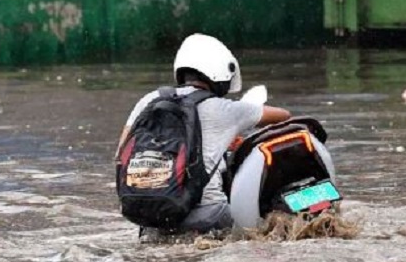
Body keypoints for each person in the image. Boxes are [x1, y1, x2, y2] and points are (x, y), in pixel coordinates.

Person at [115, 33, 291, 234]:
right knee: (264, 224)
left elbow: (121, 153)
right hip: (210, 217)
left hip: (151, 222)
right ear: (220, 72)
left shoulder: (148, 101)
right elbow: (283, 116)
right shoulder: (225, 109)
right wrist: (245, 109)